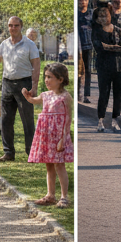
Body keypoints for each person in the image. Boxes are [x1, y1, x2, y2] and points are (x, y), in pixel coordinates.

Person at [0, 16, 42, 162]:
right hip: (7, 84)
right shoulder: (4, 44)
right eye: (10, 25)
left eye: (16, 25)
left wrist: (34, 86)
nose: (13, 28)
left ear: (21, 26)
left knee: (27, 120)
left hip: (24, 84)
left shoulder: (29, 44)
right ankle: (8, 152)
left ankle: (31, 152)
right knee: (6, 120)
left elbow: (36, 66)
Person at [23, 62, 72, 208]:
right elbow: (33, 100)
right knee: (49, 166)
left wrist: (63, 139)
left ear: (60, 79)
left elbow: (68, 119)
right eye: (45, 77)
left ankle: (64, 197)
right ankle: (50, 195)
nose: (46, 80)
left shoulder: (65, 97)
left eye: (50, 77)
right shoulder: (45, 95)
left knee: (60, 165)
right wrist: (27, 96)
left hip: (58, 137)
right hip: (46, 137)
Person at [92, 4, 121, 134]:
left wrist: (108, 46)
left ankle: (115, 120)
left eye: (105, 14)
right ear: (96, 19)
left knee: (118, 95)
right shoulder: (96, 31)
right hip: (104, 67)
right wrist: (114, 47)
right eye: (100, 16)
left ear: (110, 15)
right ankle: (100, 120)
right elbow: (98, 47)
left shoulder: (119, 30)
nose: (103, 18)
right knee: (104, 94)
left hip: (119, 66)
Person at [78, 0, 93, 104]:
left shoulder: (91, 14)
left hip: (89, 45)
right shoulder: (77, 15)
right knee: (79, 70)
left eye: (85, 0)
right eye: (81, 0)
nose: (83, 2)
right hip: (79, 46)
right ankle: (78, 93)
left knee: (88, 70)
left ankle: (86, 95)